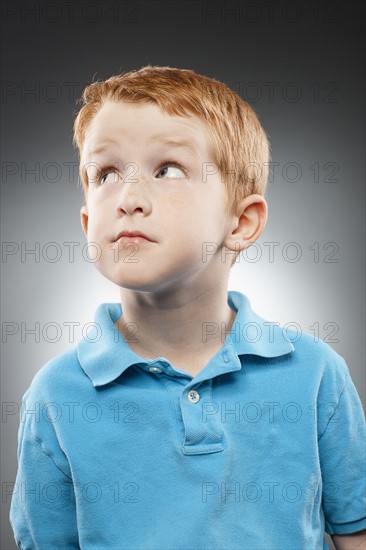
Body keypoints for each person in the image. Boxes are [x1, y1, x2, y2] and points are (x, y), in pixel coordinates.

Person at [10, 65, 365, 549]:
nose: (129, 199)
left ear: (241, 221)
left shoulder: (316, 374)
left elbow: (354, 534)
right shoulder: (56, 395)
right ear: (87, 220)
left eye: (167, 170)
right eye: (107, 173)